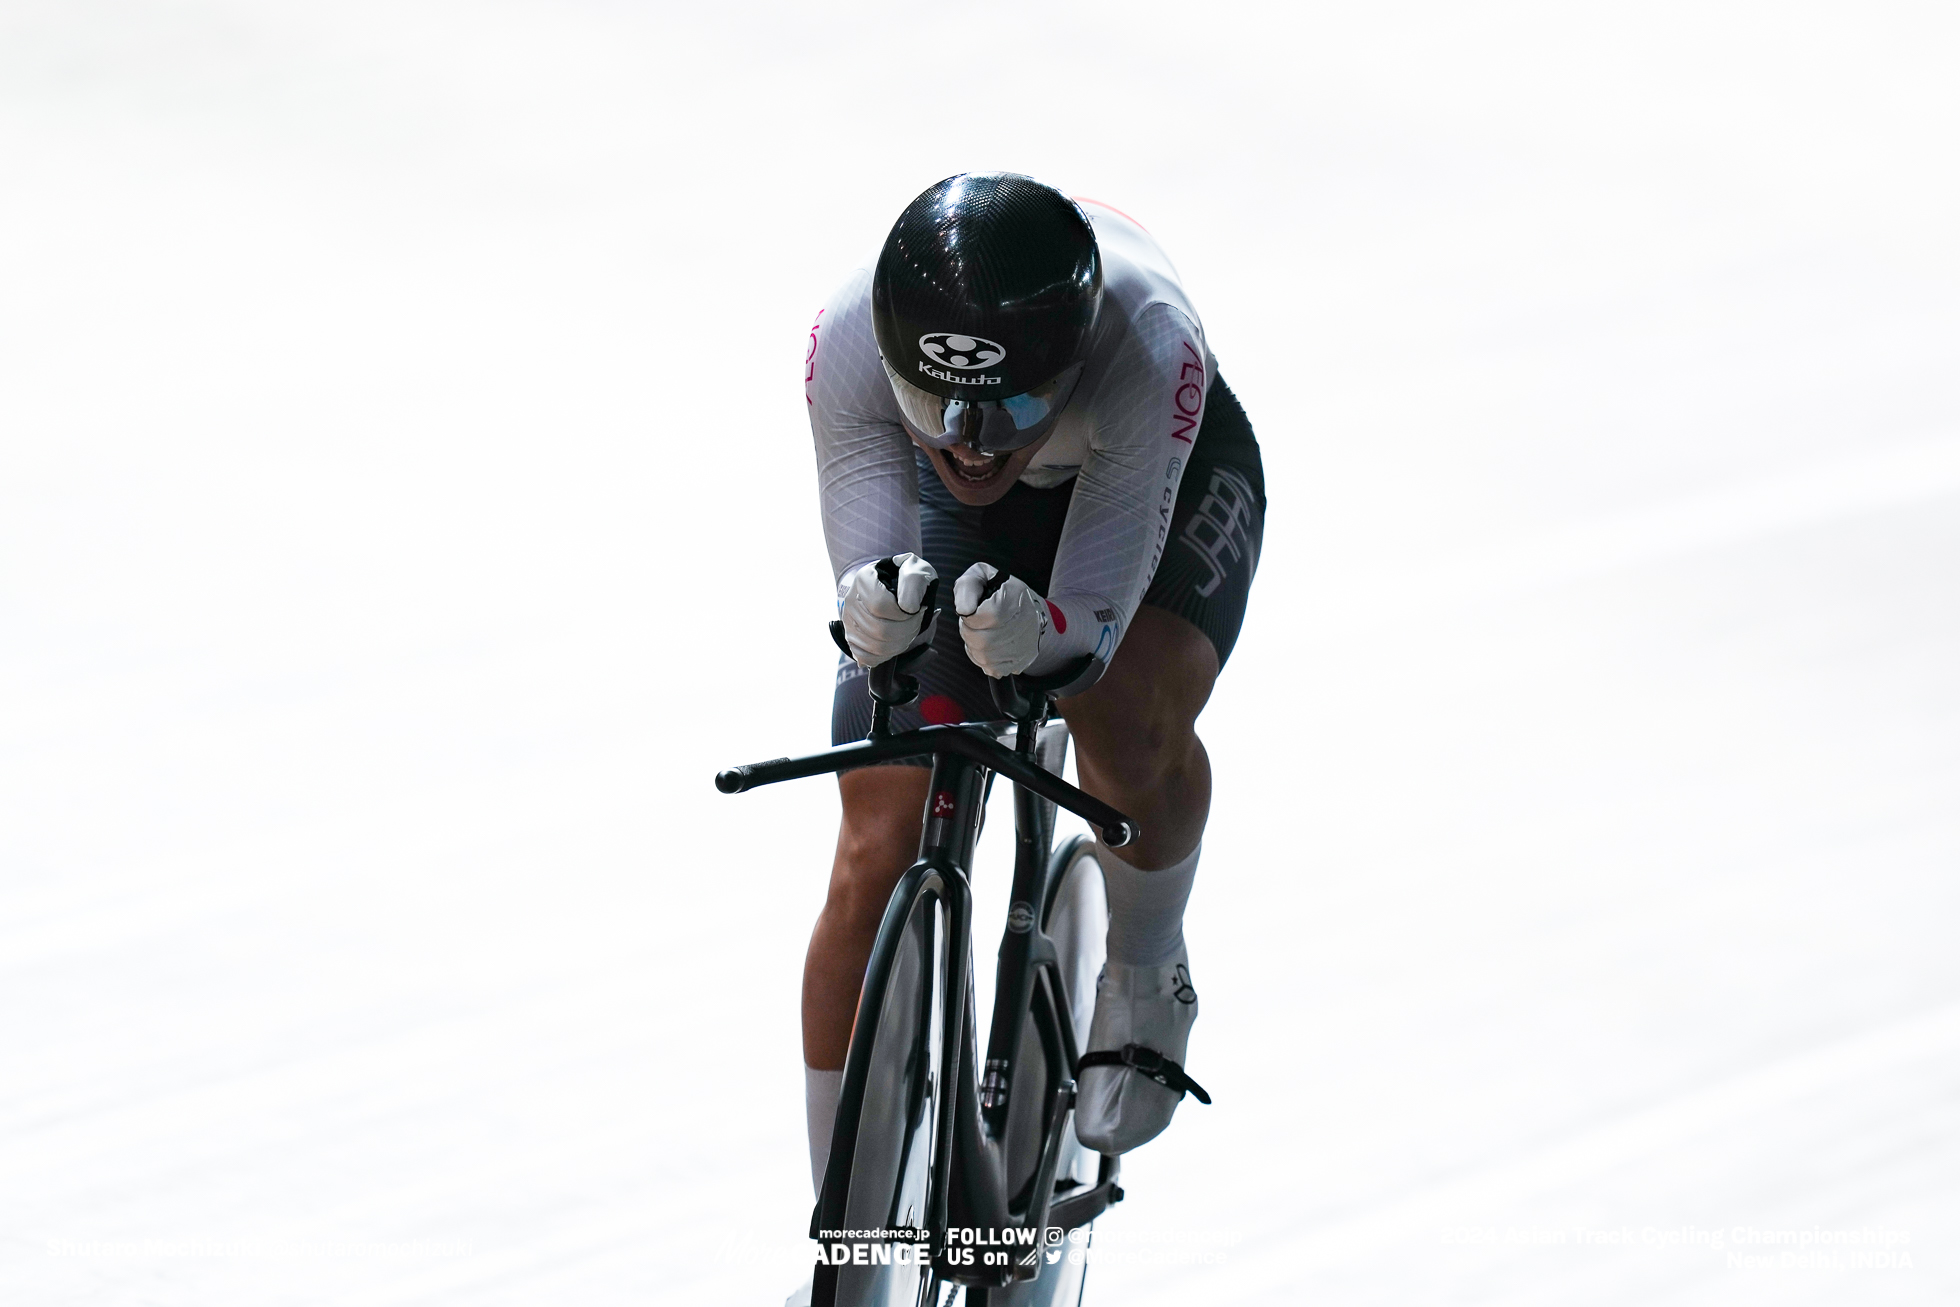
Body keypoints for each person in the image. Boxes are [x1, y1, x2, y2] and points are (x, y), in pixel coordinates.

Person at [801, 173, 1264, 1201]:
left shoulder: (1146, 343)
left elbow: (1091, 626)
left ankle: (1144, 962)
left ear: (1068, 365)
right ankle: (842, 1223)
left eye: (1008, 405)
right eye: (935, 404)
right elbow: (869, 586)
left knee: (1123, 712)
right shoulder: (846, 337)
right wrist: (871, 616)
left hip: (1150, 481)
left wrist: (1052, 636)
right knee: (879, 827)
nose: (969, 440)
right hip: (978, 507)